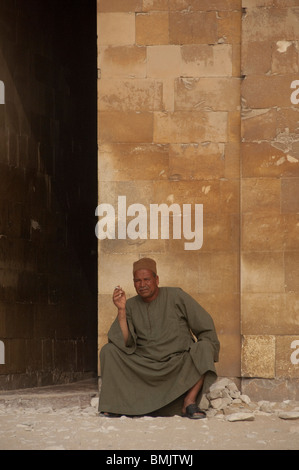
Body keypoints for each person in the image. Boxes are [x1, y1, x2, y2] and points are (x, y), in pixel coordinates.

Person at [98, 257, 220, 419]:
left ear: (156, 279)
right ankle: (117, 404)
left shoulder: (176, 296)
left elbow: (205, 327)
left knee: (205, 346)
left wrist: (206, 349)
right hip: (145, 365)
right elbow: (125, 342)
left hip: (177, 363)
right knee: (109, 351)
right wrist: (121, 310)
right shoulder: (131, 305)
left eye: (147, 279)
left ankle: (189, 403)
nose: (142, 285)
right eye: (137, 281)